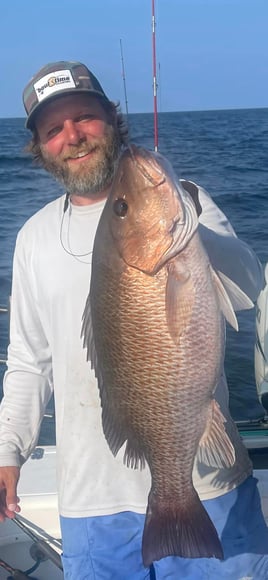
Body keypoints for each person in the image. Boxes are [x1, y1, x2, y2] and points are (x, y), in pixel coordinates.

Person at [0, 60, 267, 580]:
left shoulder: (187, 201)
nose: (72, 136)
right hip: (91, 502)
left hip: (208, 484)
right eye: (54, 129)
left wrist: (184, 226)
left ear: (112, 118)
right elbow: (30, 361)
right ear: (40, 146)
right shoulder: (33, 237)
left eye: (85, 117)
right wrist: (8, 451)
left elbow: (250, 286)